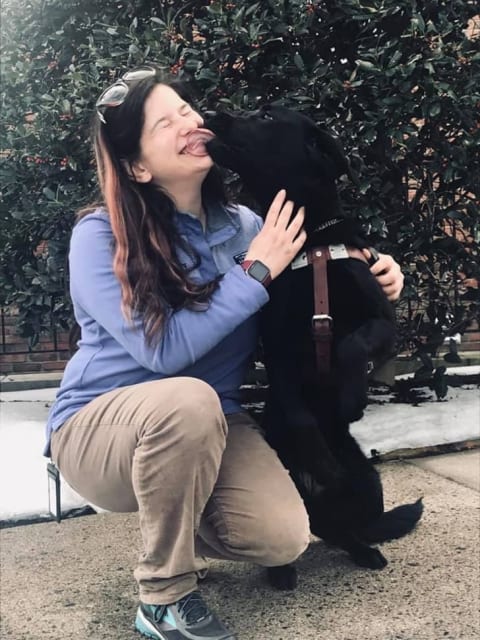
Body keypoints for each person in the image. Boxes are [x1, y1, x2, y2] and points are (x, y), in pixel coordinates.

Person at [45, 65, 405, 640]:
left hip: (214, 423)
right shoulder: (100, 234)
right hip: (101, 428)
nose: (189, 121)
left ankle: (177, 510)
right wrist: (256, 268)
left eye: (185, 109)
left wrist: (378, 275)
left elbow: (314, 280)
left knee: (282, 537)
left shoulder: (247, 225)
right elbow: (163, 352)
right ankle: (163, 597)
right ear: (138, 166)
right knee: (186, 400)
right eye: (165, 122)